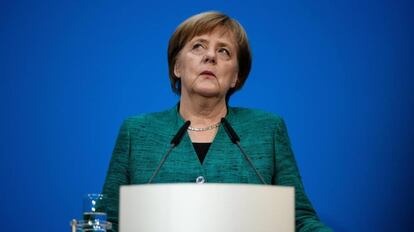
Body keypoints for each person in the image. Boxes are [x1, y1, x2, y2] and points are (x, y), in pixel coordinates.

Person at [101, 11, 332, 232]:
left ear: (235, 77)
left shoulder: (268, 129)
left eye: (224, 52)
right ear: (177, 66)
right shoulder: (136, 132)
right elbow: (109, 223)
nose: (210, 56)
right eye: (198, 46)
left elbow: (299, 220)